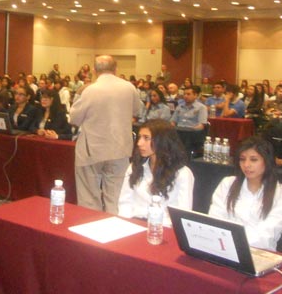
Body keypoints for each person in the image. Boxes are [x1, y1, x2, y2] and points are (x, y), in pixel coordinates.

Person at [70, 55, 143, 213]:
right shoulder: (129, 87)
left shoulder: (89, 90)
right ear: (116, 69)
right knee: (116, 197)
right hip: (120, 149)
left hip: (91, 150)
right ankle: (114, 224)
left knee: (89, 197)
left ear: (94, 70)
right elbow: (138, 111)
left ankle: (90, 224)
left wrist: (77, 96)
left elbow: (74, 119)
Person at [208, 137, 282, 250]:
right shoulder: (228, 184)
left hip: (261, 252)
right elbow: (215, 220)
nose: (246, 165)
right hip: (224, 247)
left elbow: (267, 234)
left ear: (267, 161)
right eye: (242, 159)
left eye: (253, 160)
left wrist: (233, 241)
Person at [118, 119, 194, 227]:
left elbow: (183, 213)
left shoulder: (182, 174)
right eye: (139, 137)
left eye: (146, 138)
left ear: (162, 141)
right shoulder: (135, 167)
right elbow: (125, 202)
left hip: (164, 227)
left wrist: (155, 227)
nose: (139, 143)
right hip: (134, 224)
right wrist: (125, 224)